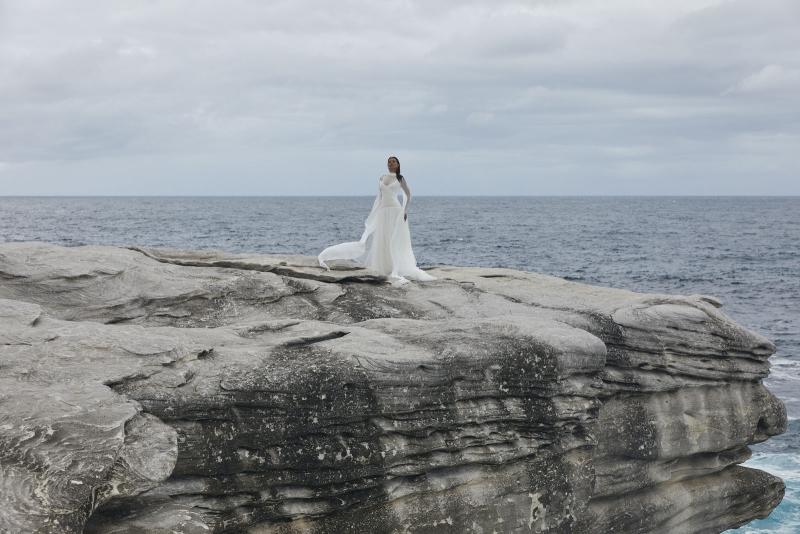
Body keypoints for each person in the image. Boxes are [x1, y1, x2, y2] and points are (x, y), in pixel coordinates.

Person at [318, 155, 436, 285]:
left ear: (398, 164)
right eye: (389, 162)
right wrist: (375, 213)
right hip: (383, 211)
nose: (391, 164)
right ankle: (385, 267)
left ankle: (395, 267)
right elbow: (379, 197)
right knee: (383, 238)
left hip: (395, 211)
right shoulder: (381, 177)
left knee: (394, 239)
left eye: (393, 162)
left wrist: (405, 210)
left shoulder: (400, 178)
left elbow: (408, 194)